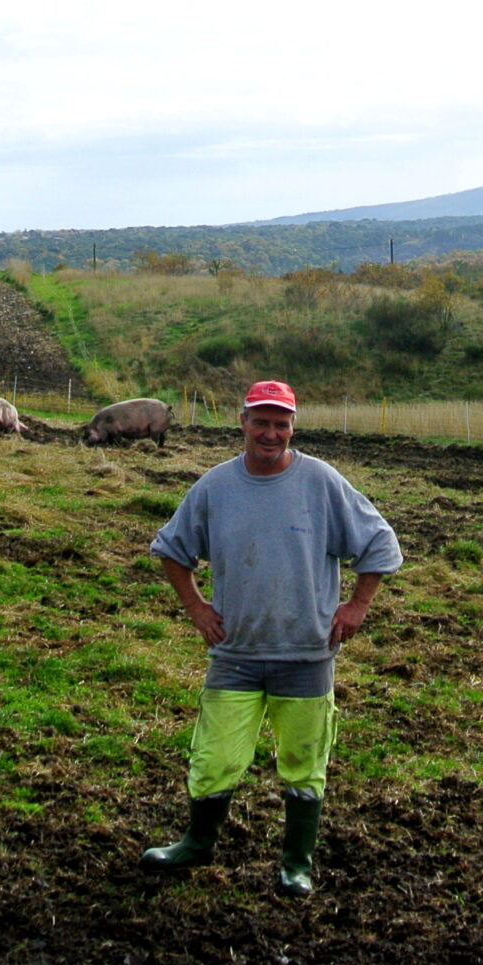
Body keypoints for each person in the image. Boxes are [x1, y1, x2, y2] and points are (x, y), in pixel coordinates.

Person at [141, 378, 402, 894]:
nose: (270, 433)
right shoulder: (214, 487)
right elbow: (172, 550)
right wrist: (196, 606)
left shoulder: (322, 483)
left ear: (292, 428)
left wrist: (358, 605)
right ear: (242, 423)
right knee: (215, 758)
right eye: (260, 421)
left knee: (305, 764)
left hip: (306, 654)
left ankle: (296, 863)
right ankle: (196, 845)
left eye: (281, 424)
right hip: (235, 653)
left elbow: (379, 542)